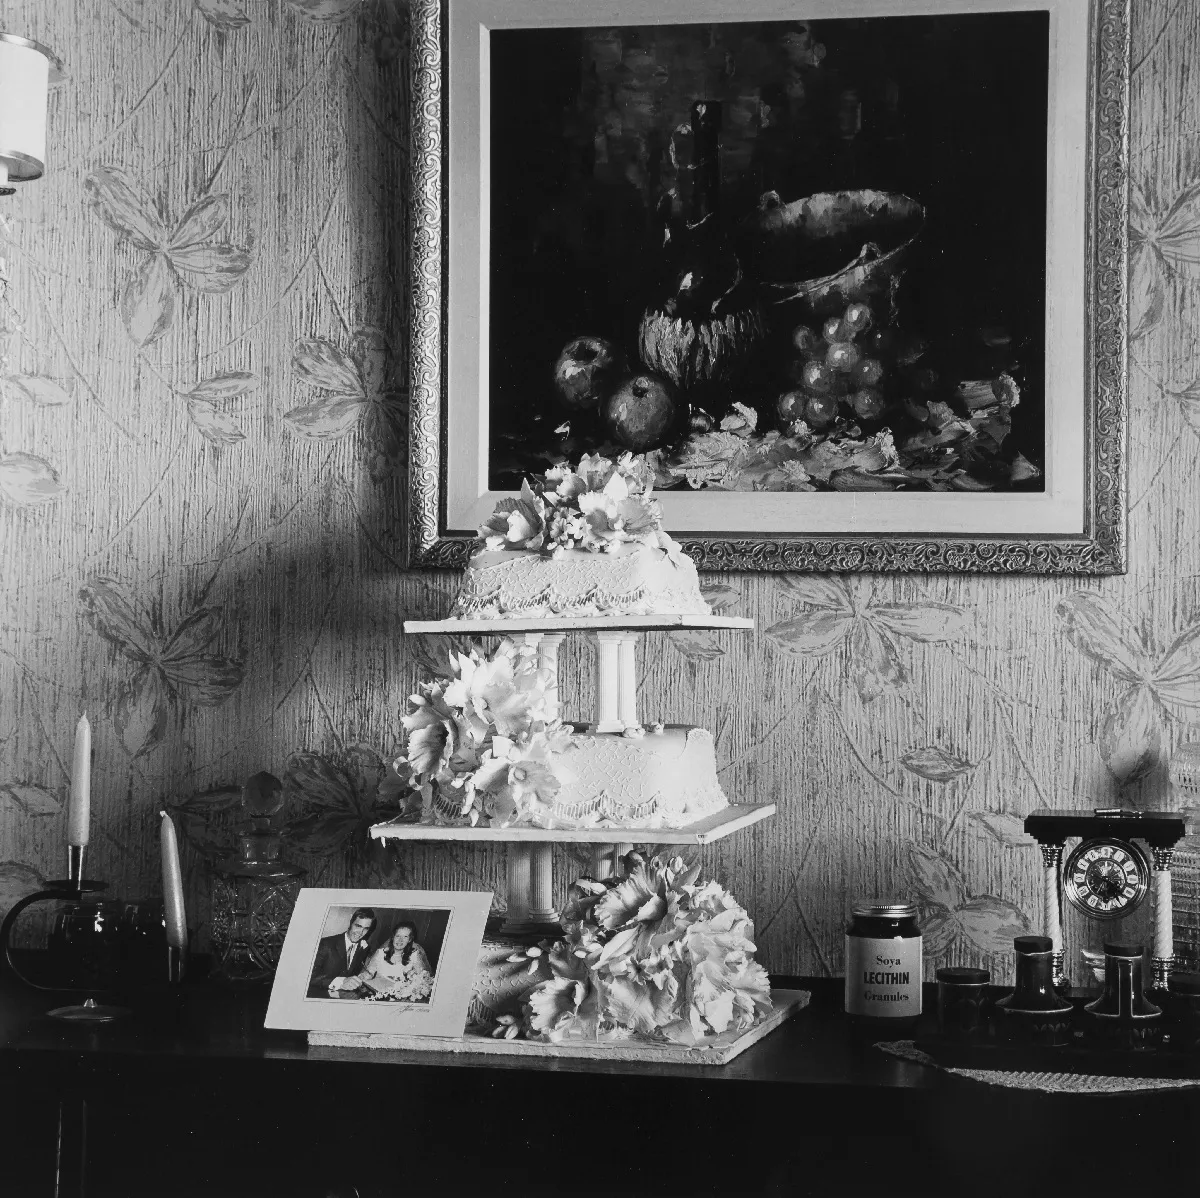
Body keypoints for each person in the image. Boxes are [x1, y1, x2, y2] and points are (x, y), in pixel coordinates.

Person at [356, 921, 433, 1001]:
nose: (400, 940)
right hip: (378, 994)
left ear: (410, 940)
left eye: (405, 937)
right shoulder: (380, 953)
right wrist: (364, 975)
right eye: (398, 936)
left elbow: (423, 978)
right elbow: (370, 972)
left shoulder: (414, 955)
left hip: (399, 998)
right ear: (393, 937)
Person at [308, 908, 376, 995]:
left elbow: (352, 973)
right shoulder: (325, 944)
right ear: (351, 921)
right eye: (358, 926)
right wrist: (340, 983)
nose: (360, 933)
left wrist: (361, 976)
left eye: (366, 929)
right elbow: (309, 976)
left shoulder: (363, 948)